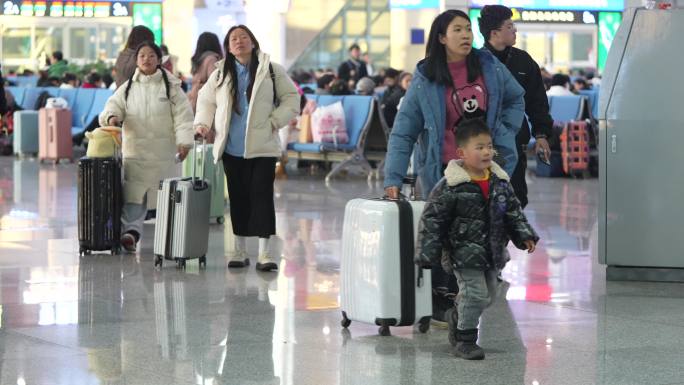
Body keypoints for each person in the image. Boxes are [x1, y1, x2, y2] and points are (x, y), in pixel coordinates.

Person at [383, 9, 525, 326]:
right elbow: (404, 132)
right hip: (445, 172)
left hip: (488, 167)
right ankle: (445, 299)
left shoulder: (489, 66)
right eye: (457, 29)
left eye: (467, 29)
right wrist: (392, 177)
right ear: (442, 38)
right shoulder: (424, 79)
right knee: (448, 236)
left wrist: (505, 131)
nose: (465, 35)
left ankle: (467, 297)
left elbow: (517, 98)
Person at [416, 118, 539, 360]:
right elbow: (432, 220)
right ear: (461, 152)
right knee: (475, 294)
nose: (486, 152)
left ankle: (457, 315)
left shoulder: (499, 182)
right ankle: (465, 339)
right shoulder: (450, 186)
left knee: (491, 295)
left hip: (492, 251)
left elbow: (512, 212)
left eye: (489, 146)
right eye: (479, 147)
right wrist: (427, 253)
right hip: (462, 252)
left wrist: (524, 236)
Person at [194, 25, 299, 271]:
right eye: (233, 39)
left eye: (243, 37)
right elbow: (206, 101)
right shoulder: (220, 73)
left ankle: (265, 254)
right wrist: (201, 124)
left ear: (253, 42)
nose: (239, 42)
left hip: (262, 148)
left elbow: (292, 98)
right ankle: (239, 251)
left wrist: (274, 121)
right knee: (239, 198)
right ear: (228, 47)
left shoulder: (271, 70)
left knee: (262, 196)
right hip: (231, 148)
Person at [99, 41, 194, 253]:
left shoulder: (172, 87)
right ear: (136, 60)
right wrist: (112, 117)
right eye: (142, 55)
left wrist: (185, 142)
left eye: (151, 55)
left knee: (167, 197)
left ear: (159, 60)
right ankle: (130, 234)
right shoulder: (128, 88)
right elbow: (112, 106)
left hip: (164, 154)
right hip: (136, 153)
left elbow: (184, 117)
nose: (146, 59)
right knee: (135, 195)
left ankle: (171, 240)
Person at [478, 4, 553, 209]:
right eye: (510, 26)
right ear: (495, 32)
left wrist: (541, 134)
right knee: (484, 199)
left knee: (516, 197)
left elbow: (537, 101)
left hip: (515, 142)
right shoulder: (477, 63)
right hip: (483, 145)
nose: (515, 30)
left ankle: (502, 239)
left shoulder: (523, 61)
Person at [188, 32, 223, 112]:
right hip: (206, 105)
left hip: (196, 102)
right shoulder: (212, 59)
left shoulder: (200, 60)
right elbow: (214, 84)